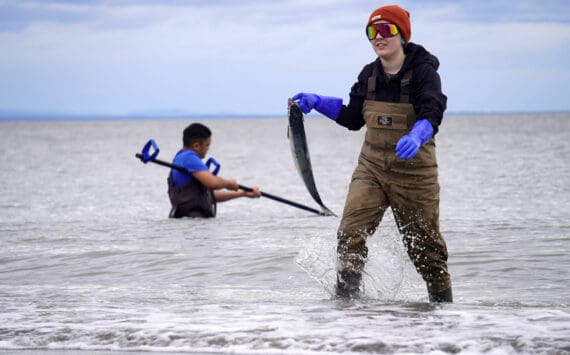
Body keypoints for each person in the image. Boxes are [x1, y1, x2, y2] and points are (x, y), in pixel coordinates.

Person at [291, 4, 452, 302]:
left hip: (415, 175)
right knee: (349, 235)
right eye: (372, 31)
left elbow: (433, 112)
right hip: (372, 169)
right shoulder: (369, 75)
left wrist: (418, 135)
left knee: (427, 253)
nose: (378, 37)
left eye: (386, 30)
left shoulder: (424, 73)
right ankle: (348, 309)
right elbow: (353, 119)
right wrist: (318, 102)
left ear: (402, 35)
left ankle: (443, 315)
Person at [168, 122, 261, 218]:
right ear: (196, 146)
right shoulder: (190, 158)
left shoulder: (179, 158)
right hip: (193, 223)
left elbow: (209, 196)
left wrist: (242, 193)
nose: (208, 149)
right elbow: (213, 183)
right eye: (207, 145)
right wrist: (228, 183)